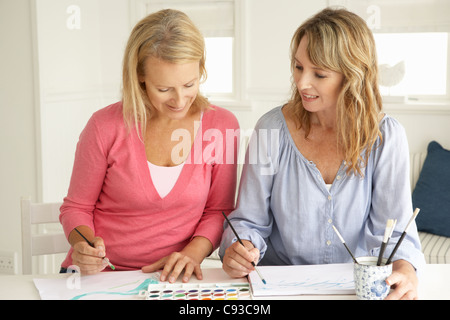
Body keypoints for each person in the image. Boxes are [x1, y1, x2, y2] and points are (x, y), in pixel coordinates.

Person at [219, 8, 425, 300]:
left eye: (319, 74)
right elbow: (247, 222)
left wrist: (405, 270)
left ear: (352, 76)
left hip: (355, 290)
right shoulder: (270, 130)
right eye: (298, 67)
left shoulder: (386, 137)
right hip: (275, 291)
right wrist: (238, 248)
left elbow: (394, 233)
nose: (302, 83)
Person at [59, 9, 239, 283]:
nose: (180, 100)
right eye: (164, 89)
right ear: (140, 76)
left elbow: (219, 211)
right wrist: (83, 245)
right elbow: (76, 208)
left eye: (189, 84)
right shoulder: (104, 126)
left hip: (175, 279)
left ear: (201, 68)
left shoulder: (222, 125)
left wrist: (192, 254)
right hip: (100, 277)